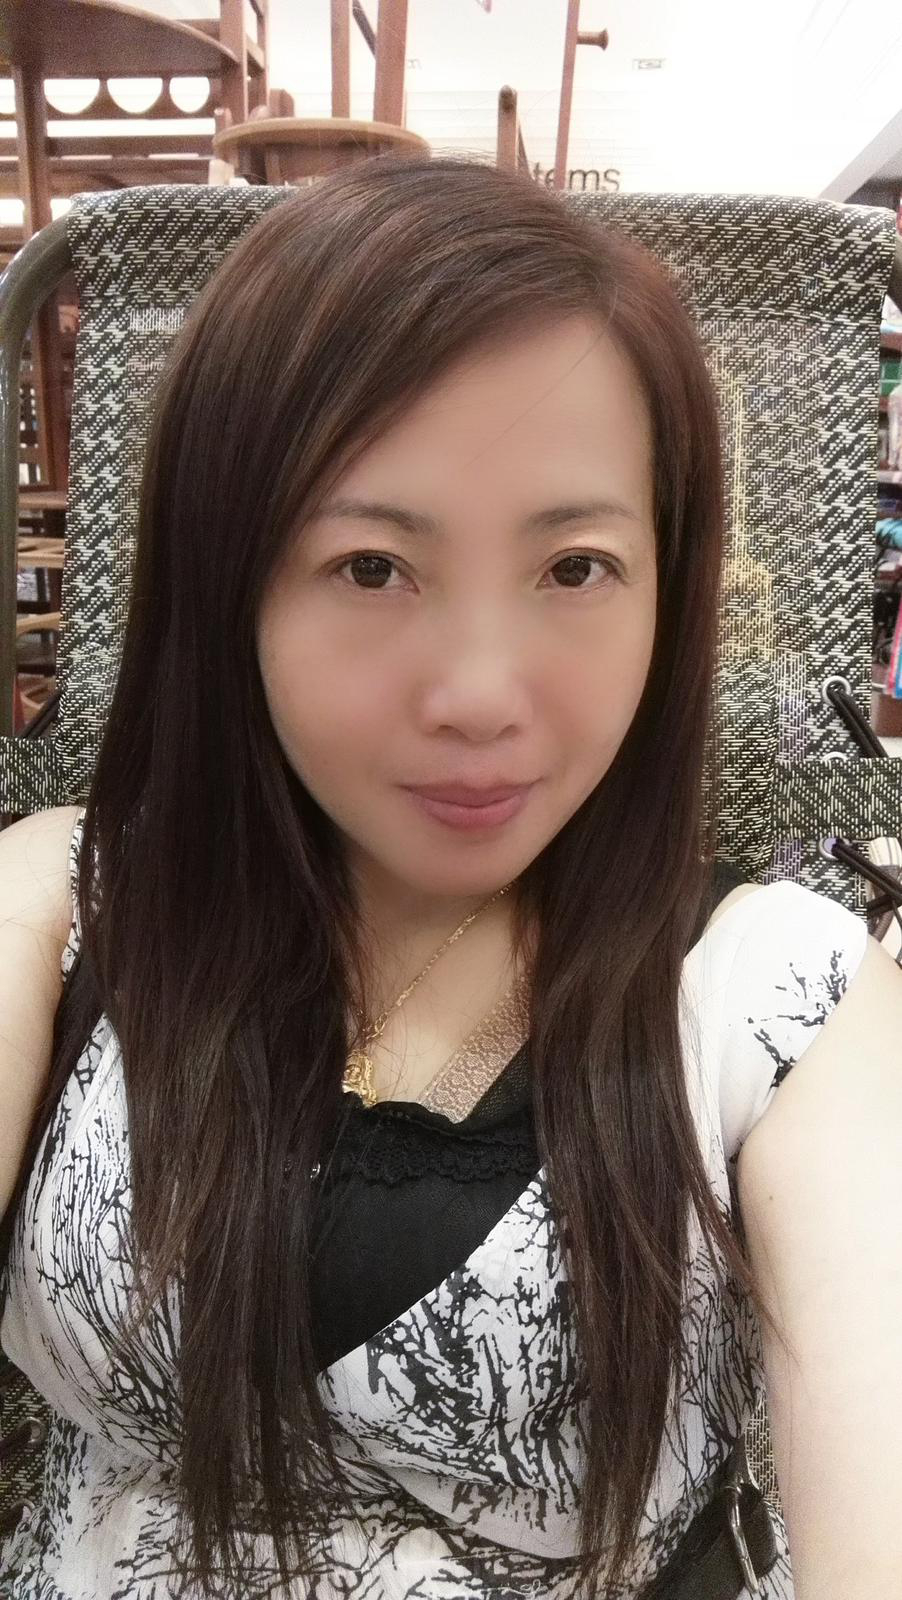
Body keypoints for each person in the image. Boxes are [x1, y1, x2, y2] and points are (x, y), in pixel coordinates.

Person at [0, 154, 900, 1600]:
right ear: (228, 586)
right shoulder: (67, 905)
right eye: (371, 567)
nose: (480, 697)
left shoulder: (780, 1004)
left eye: (575, 568)